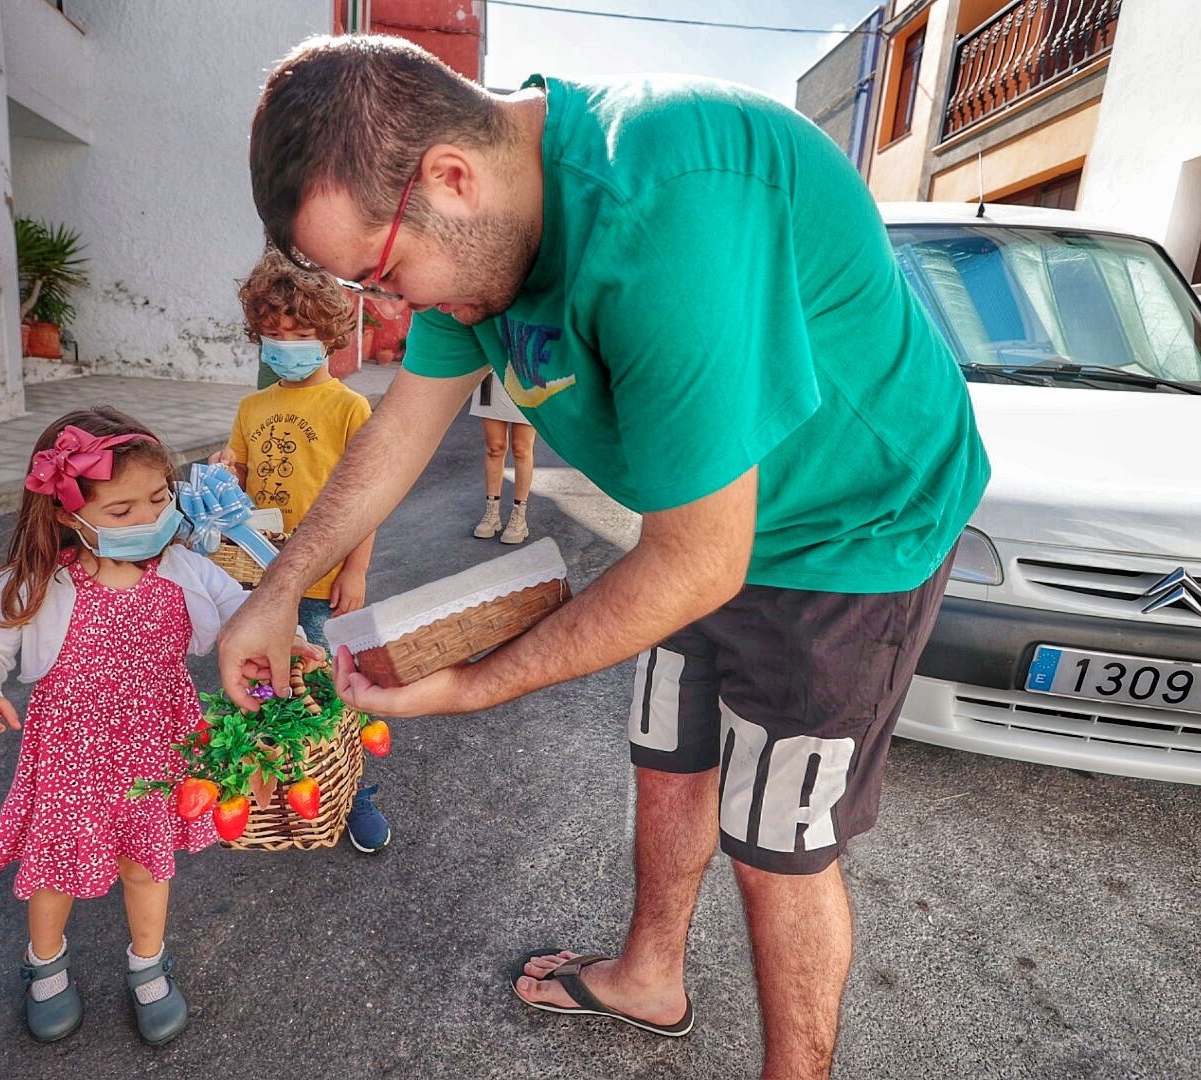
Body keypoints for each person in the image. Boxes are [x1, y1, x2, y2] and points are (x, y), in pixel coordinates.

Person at [225, 35, 990, 1078]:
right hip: (702, 522)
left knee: (776, 841)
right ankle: (651, 973)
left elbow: (699, 564)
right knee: (670, 760)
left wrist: (474, 688)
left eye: (384, 274)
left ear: (450, 177)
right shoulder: (479, 250)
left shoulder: (668, 197)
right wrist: (275, 594)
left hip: (849, 530)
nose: (398, 311)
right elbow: (398, 433)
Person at [0, 406, 320, 1046]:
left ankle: (148, 964)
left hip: (160, 750)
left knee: (148, 864)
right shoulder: (34, 584)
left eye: (159, 499)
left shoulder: (188, 573)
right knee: (57, 868)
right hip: (69, 761)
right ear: (66, 512)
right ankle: (46, 965)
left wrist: (285, 644)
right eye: (121, 512)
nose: (148, 519)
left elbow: (251, 618)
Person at [210, 247, 390, 853]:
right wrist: (222, 476)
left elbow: (366, 496)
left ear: (329, 334)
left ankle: (355, 795)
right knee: (269, 689)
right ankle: (290, 793)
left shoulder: (347, 407)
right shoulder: (251, 407)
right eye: (272, 332)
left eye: (299, 331)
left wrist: (357, 570)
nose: (285, 342)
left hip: (324, 581)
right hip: (259, 581)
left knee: (333, 693)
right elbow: (239, 481)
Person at [469, 370, 535, 543]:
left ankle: (519, 518)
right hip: (491, 373)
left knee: (521, 448)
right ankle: (492, 515)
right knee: (494, 447)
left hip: (526, 374)